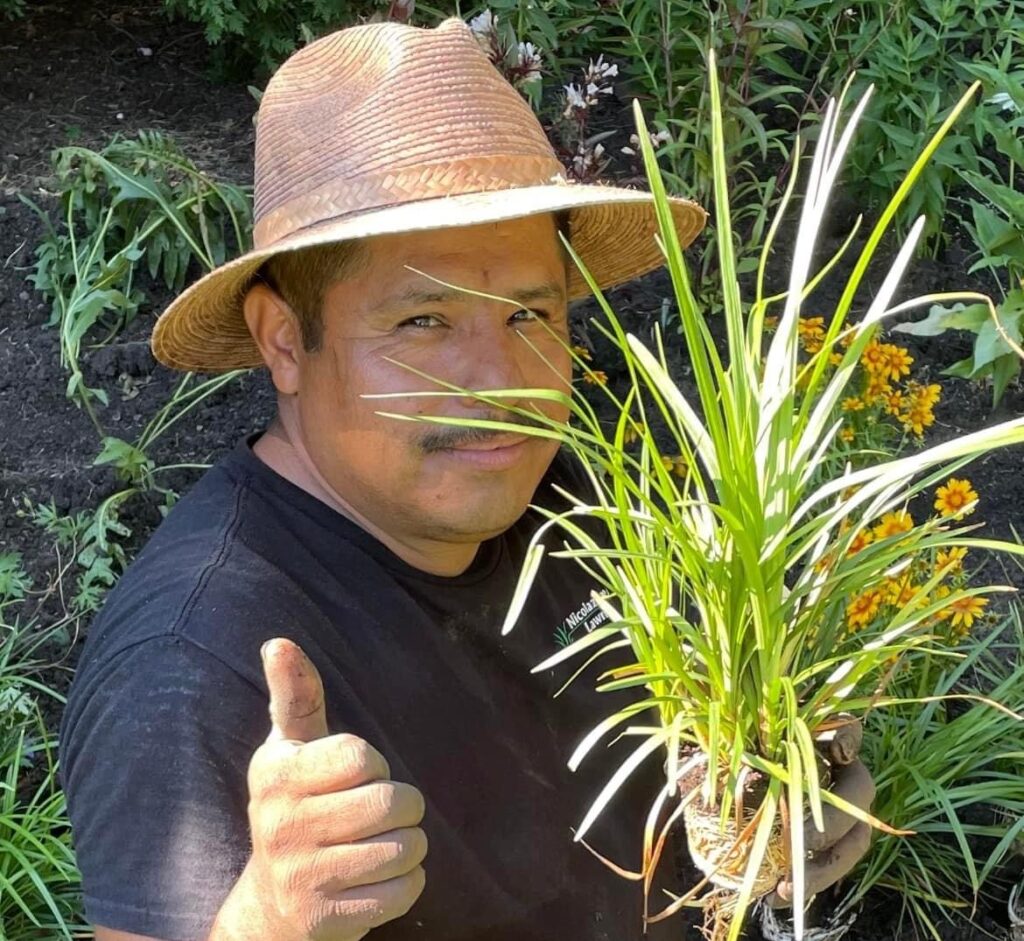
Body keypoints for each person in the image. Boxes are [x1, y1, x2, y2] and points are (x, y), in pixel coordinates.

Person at [58, 17, 874, 941]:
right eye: (424, 323)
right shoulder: (195, 660)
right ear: (285, 338)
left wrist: (776, 807)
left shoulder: (573, 500)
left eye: (531, 312)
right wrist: (267, 924)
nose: (503, 382)